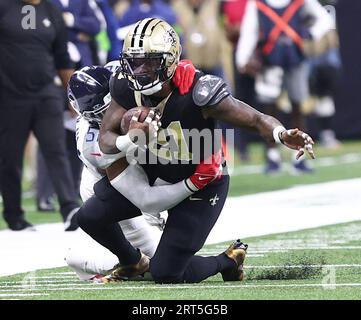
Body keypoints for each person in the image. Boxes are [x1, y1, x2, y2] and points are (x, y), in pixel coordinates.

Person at [77, 18, 315, 284]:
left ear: (169, 61)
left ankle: (228, 261)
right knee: (89, 217)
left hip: (203, 180)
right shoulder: (123, 85)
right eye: (135, 61)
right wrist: (131, 139)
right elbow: (106, 139)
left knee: (167, 273)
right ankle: (133, 262)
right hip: (153, 171)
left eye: (150, 62)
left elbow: (255, 119)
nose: (140, 70)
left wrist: (280, 133)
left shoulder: (199, 91)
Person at [65, 62, 223, 280]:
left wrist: (184, 70)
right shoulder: (91, 144)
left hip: (147, 171)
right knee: (158, 268)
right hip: (122, 187)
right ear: (89, 116)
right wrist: (132, 138)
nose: (119, 113)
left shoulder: (118, 75)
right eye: (105, 112)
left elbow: (151, 62)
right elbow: (143, 196)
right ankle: (133, 262)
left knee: (166, 261)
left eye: (115, 104)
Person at [0, 0, 80, 231]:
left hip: (46, 93)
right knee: (10, 157)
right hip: (9, 95)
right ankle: (14, 215)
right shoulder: (4, 6)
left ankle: (69, 208)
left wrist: (71, 95)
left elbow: (62, 56)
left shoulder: (52, 10)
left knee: (55, 150)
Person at [235, 0, 332, 174]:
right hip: (270, 60)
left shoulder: (300, 1)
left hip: (295, 59)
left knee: (298, 108)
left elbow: (325, 19)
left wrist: (310, 34)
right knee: (269, 110)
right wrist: (242, 58)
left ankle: (300, 158)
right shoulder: (258, 3)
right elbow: (249, 31)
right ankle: (272, 156)